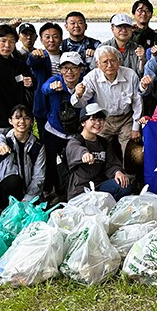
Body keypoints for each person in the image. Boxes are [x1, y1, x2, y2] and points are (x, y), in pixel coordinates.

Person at [72, 46, 143, 153]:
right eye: (105, 62)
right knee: (100, 150)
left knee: (130, 151)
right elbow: (79, 104)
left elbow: (138, 103)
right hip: (104, 119)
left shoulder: (130, 75)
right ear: (97, 64)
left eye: (113, 60)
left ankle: (125, 170)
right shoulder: (92, 77)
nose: (110, 65)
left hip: (126, 118)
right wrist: (78, 95)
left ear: (119, 61)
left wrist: (136, 127)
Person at [41, 52, 86, 198]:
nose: (69, 72)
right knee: (51, 164)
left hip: (75, 134)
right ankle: (48, 191)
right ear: (60, 70)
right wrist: (52, 87)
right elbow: (44, 88)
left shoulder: (86, 85)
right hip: (54, 131)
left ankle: (68, 192)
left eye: (74, 67)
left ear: (81, 69)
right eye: (65, 68)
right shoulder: (56, 81)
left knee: (71, 165)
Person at [66, 103, 132, 201]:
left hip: (99, 186)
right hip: (80, 189)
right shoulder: (76, 141)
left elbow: (111, 164)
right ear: (83, 122)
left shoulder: (104, 142)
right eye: (93, 119)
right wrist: (84, 154)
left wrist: (117, 172)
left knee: (124, 185)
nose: (98, 123)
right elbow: (75, 149)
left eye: (101, 119)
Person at [0, 24, 34, 134]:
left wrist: (31, 83)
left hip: (23, 120)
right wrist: (12, 119)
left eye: (11, 41)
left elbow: (32, 84)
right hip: (2, 122)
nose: (7, 45)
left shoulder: (19, 64)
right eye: (3, 41)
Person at [0, 105, 46, 209]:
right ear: (10, 121)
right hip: (3, 189)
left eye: (26, 118)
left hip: (26, 191)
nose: (22, 121)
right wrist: (1, 147)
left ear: (32, 121)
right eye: (17, 118)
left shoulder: (37, 146)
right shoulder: (5, 139)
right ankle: (5, 208)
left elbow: (39, 177)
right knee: (15, 181)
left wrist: (27, 199)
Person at [27, 22, 64, 134]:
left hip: (63, 104)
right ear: (41, 40)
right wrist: (33, 55)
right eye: (47, 37)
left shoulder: (66, 56)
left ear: (61, 39)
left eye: (55, 36)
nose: (51, 40)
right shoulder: (40, 56)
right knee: (45, 139)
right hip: (43, 106)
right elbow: (32, 62)